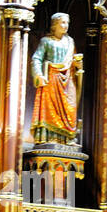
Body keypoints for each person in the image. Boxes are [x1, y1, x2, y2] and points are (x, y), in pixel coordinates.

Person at [30, 12, 82, 144]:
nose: (66, 26)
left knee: (70, 107)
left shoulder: (70, 42)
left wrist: (77, 64)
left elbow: (73, 61)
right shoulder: (46, 41)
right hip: (52, 79)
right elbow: (36, 58)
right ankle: (46, 138)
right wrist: (39, 75)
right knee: (49, 110)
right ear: (54, 25)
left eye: (67, 23)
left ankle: (68, 137)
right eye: (62, 23)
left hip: (68, 78)